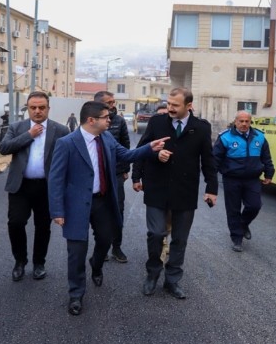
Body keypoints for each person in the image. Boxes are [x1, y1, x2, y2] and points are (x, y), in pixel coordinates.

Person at [48, 101, 168, 315]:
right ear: (91, 120)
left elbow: (126, 155)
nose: (109, 120)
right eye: (105, 117)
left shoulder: (106, 138)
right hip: (76, 205)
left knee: (105, 239)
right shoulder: (67, 143)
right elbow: (56, 179)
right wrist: (57, 210)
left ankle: (96, 264)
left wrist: (150, 148)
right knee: (76, 251)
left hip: (102, 201)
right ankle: (76, 295)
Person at [134, 87, 218, 300]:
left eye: (175, 105)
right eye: (168, 104)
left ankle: (172, 280)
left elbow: (209, 160)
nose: (170, 108)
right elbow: (142, 150)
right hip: (156, 189)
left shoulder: (201, 128)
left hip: (185, 191)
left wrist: (211, 189)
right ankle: (152, 273)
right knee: (156, 234)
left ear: (189, 106)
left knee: (180, 239)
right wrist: (142, 171)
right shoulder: (156, 122)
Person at [0, 91, 69, 282]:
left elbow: (68, 158)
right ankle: (20, 261)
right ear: (28, 108)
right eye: (33, 107)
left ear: (48, 108)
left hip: (46, 188)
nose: (37, 111)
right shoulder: (17, 127)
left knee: (43, 226)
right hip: (20, 186)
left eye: (41, 107)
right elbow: (4, 148)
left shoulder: (60, 130)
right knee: (16, 223)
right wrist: (29, 135)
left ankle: (39, 263)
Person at [212, 111, 275, 252]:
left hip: (252, 179)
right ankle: (237, 239)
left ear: (250, 122)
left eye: (247, 121)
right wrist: (211, 180)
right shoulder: (225, 137)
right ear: (235, 121)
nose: (244, 124)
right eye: (241, 121)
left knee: (255, 206)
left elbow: (266, 158)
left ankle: (243, 224)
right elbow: (215, 159)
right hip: (231, 179)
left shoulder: (260, 137)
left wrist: (269, 173)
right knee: (233, 209)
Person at [93, 90, 131, 263]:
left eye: (113, 102)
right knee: (98, 211)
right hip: (97, 175)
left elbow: (125, 146)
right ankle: (101, 248)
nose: (113, 105)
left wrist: (125, 170)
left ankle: (117, 247)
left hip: (116, 173)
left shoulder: (119, 121)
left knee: (117, 210)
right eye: (109, 102)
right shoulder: (91, 120)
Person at [132, 103, 170, 261]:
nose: (164, 118)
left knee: (169, 219)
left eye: (166, 114)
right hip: (153, 183)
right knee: (156, 223)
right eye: (160, 115)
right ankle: (158, 245)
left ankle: (164, 238)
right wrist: (136, 178)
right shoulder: (151, 132)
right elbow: (139, 154)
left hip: (174, 185)